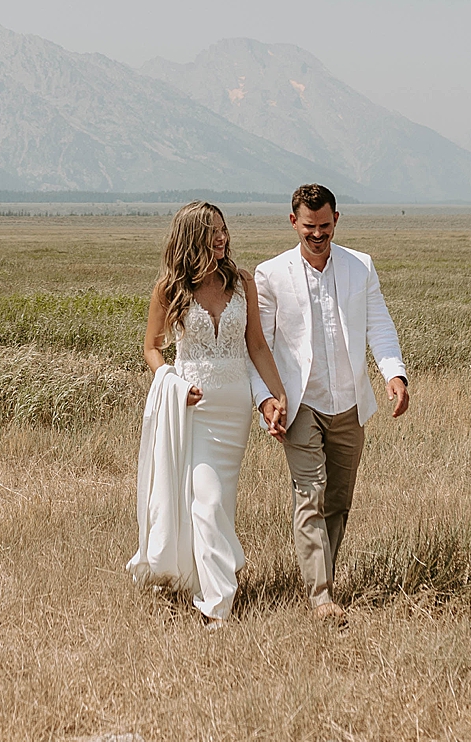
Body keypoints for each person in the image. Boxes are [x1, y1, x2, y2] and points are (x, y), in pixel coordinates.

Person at [248, 183, 409, 623]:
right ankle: (321, 598)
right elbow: (257, 346)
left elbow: (379, 326)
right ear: (293, 222)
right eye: (308, 227)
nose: (317, 235)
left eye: (324, 226)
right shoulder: (270, 274)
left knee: (338, 500)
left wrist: (394, 374)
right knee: (310, 494)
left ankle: (325, 580)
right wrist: (265, 400)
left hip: (350, 403)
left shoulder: (361, 266)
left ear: (336, 219)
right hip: (299, 403)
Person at [128, 201, 289, 625]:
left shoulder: (242, 281)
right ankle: (218, 606)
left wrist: (278, 395)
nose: (222, 238)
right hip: (193, 408)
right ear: (191, 238)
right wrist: (172, 383)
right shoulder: (169, 288)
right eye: (212, 232)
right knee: (207, 499)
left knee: (219, 502)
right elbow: (151, 348)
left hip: (233, 409)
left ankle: (204, 580)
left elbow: (257, 345)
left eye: (223, 229)